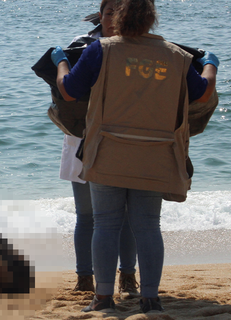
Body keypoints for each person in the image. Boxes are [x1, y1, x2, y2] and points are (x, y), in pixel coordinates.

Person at [52, 0, 218, 314]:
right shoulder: (176, 56)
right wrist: (211, 64)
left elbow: (69, 91)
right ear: (151, 19)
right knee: (147, 226)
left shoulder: (100, 50)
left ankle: (102, 297)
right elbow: (203, 93)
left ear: (120, 17)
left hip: (108, 153)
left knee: (105, 224)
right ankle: (151, 298)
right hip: (155, 154)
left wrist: (61, 61)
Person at [58, 0, 139, 298]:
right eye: (108, 13)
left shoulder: (141, 49)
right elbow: (63, 93)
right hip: (81, 136)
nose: (113, 19)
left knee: (128, 213)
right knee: (87, 214)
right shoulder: (80, 45)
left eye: (120, 14)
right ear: (100, 14)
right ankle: (84, 278)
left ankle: (127, 276)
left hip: (124, 137)